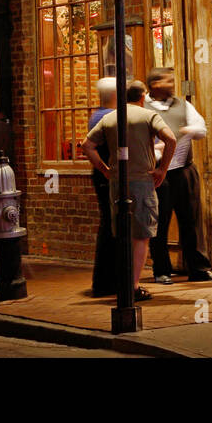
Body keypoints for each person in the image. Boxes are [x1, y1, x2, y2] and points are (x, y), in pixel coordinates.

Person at [81, 80, 176, 302]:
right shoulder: (148, 116)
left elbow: (87, 145)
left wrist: (105, 169)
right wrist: (162, 169)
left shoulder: (109, 118)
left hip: (116, 183)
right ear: (142, 96)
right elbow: (171, 139)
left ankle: (122, 282)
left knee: (121, 233)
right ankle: (132, 286)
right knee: (141, 236)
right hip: (143, 181)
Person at [145, 67, 212, 284]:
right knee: (159, 223)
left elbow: (201, 129)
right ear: (154, 85)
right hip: (158, 172)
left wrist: (189, 130)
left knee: (192, 220)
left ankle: (198, 268)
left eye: (172, 81)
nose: (171, 85)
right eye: (166, 81)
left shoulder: (183, 104)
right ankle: (161, 270)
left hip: (184, 171)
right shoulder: (142, 107)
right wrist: (157, 152)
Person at [86, 79, 117, 298]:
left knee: (110, 224)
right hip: (105, 177)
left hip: (104, 175)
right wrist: (105, 170)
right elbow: (89, 147)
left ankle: (106, 280)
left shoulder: (99, 114)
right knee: (109, 224)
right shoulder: (104, 117)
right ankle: (105, 282)